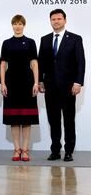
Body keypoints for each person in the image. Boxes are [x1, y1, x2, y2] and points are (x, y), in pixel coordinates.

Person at [38, 8, 85, 162]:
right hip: (50, 87)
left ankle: (69, 151)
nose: (56, 21)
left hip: (68, 87)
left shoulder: (75, 39)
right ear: (50, 21)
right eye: (53, 19)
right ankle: (55, 151)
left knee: (69, 120)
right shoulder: (44, 39)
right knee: (54, 120)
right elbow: (41, 62)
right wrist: (40, 81)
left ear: (65, 20)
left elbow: (80, 62)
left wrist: (78, 82)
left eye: (59, 19)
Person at [0, 15, 39, 162]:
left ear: (24, 25)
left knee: (27, 119)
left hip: (27, 82)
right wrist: (3, 83)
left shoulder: (30, 42)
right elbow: (3, 65)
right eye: (15, 24)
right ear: (12, 26)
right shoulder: (6, 43)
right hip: (11, 82)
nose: (17, 26)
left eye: (20, 24)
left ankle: (25, 150)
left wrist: (36, 83)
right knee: (14, 119)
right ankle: (16, 150)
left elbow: (34, 64)